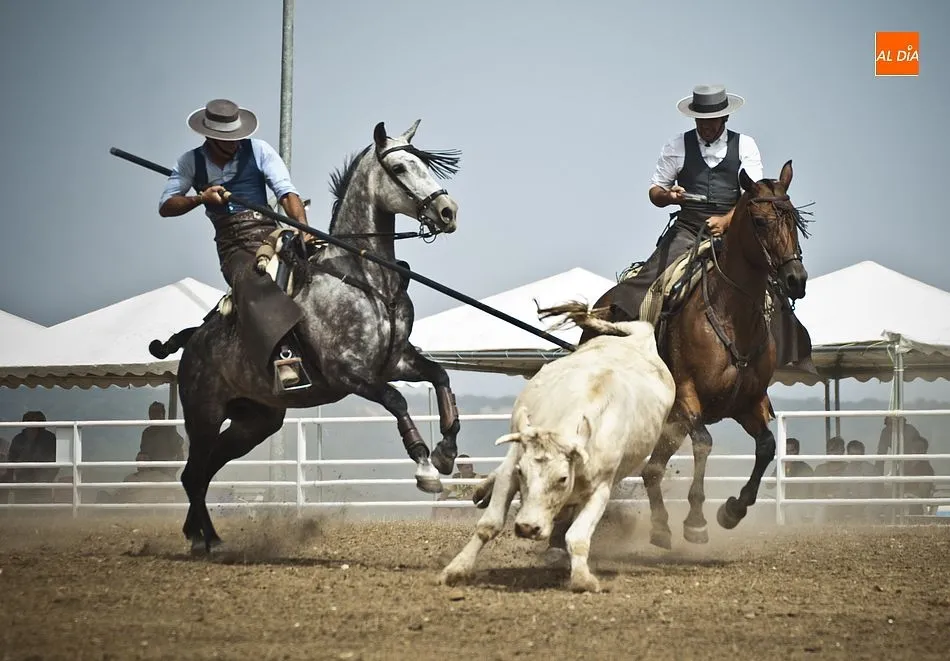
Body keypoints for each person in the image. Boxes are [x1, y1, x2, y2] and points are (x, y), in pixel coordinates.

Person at [611, 84, 813, 371]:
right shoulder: (677, 145)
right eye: (700, 120)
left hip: (734, 232)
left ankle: (788, 356)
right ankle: (623, 347)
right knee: (646, 283)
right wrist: (669, 196)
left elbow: (753, 196)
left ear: (725, 118)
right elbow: (655, 192)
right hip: (688, 230)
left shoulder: (745, 145)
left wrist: (726, 220)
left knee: (775, 288)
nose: (705, 126)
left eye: (712, 120)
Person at [158, 98, 315, 389]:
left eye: (236, 136)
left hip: (269, 233)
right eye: (227, 139)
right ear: (210, 137)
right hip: (233, 245)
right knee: (252, 281)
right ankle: (285, 354)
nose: (235, 142)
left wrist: (302, 227)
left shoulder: (259, 150)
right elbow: (166, 206)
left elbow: (286, 192)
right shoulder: (189, 162)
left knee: (320, 264)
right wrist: (200, 198)